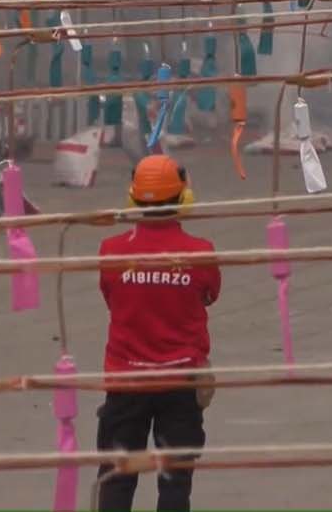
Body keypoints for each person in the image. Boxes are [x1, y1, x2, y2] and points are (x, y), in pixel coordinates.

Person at [95, 154, 221, 512]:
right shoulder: (201, 252)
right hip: (180, 382)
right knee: (175, 480)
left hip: (125, 383)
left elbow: (110, 296)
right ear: (184, 198)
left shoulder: (112, 251)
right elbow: (210, 295)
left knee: (117, 478)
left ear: (132, 198)